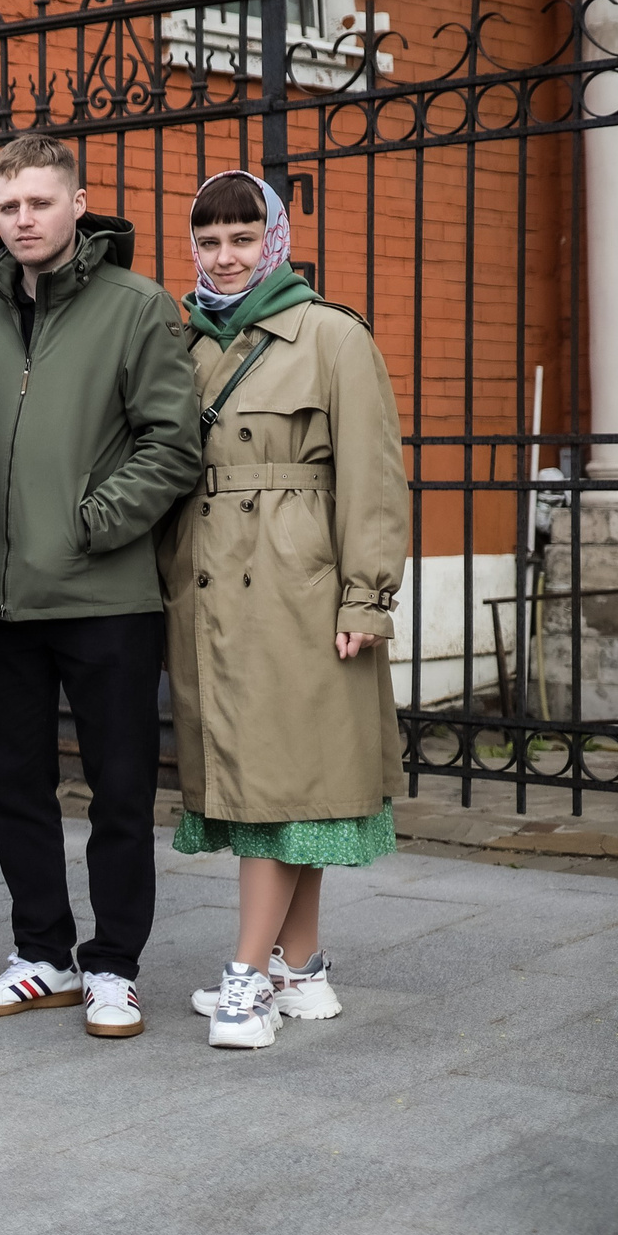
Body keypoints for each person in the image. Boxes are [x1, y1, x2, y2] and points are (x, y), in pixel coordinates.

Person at [0, 134, 202, 1041]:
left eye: (40, 202)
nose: (23, 220)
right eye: (8, 206)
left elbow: (173, 444)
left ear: (78, 205)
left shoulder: (138, 305)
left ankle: (114, 965)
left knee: (120, 791)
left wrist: (88, 523)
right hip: (1, 603)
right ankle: (42, 954)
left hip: (106, 599)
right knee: (17, 788)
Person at [163, 171, 407, 1049]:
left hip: (299, 589)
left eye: (242, 238)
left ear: (275, 239)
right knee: (282, 781)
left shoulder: (332, 336)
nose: (226, 257)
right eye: (210, 240)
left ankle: (247, 977)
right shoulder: (186, 342)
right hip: (209, 585)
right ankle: (300, 969)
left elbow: (374, 476)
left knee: (278, 782)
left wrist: (367, 596)